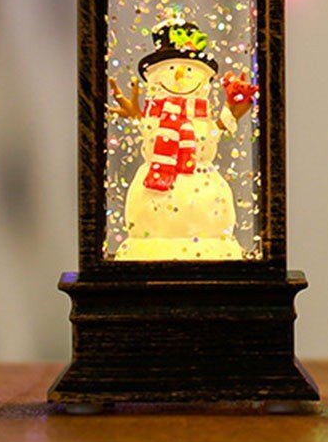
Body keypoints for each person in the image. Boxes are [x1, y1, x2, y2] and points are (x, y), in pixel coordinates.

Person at [109, 16, 257, 260]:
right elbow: (149, 136)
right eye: (171, 69)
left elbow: (212, 135)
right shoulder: (155, 119)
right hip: (154, 193)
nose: (179, 75)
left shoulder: (202, 120)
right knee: (150, 227)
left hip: (203, 192)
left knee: (210, 223)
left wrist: (231, 112)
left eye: (189, 69)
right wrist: (136, 115)